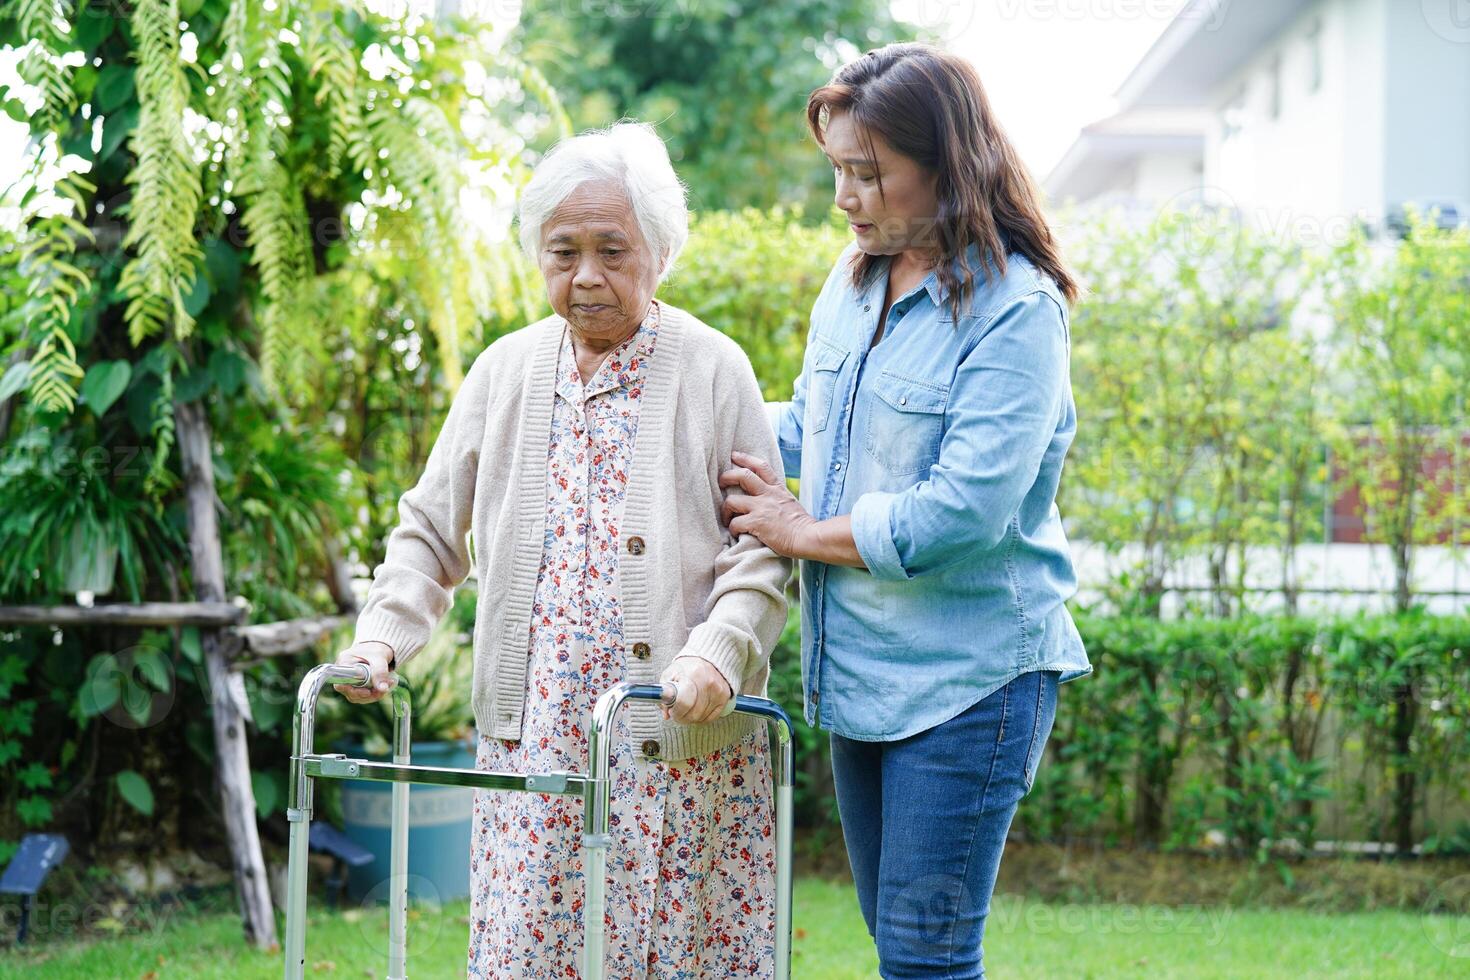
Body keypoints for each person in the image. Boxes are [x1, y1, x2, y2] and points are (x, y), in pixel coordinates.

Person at [332, 121, 791, 978]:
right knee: (531, 955)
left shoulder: (714, 369)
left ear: (659, 251)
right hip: (535, 740)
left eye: (612, 251)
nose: (586, 276)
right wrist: (382, 636)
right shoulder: (502, 373)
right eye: (562, 251)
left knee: (669, 956)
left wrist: (719, 658)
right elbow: (430, 531)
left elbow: (761, 552)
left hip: (676, 740)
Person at [718, 43, 1093, 978]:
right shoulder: (850, 285)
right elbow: (807, 428)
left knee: (927, 957)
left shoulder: (1015, 310)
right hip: (863, 680)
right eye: (839, 170)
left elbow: (962, 511)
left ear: (948, 163)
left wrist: (801, 532)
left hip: (969, 683)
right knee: (904, 947)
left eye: (869, 173)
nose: (845, 196)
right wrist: (688, 416)